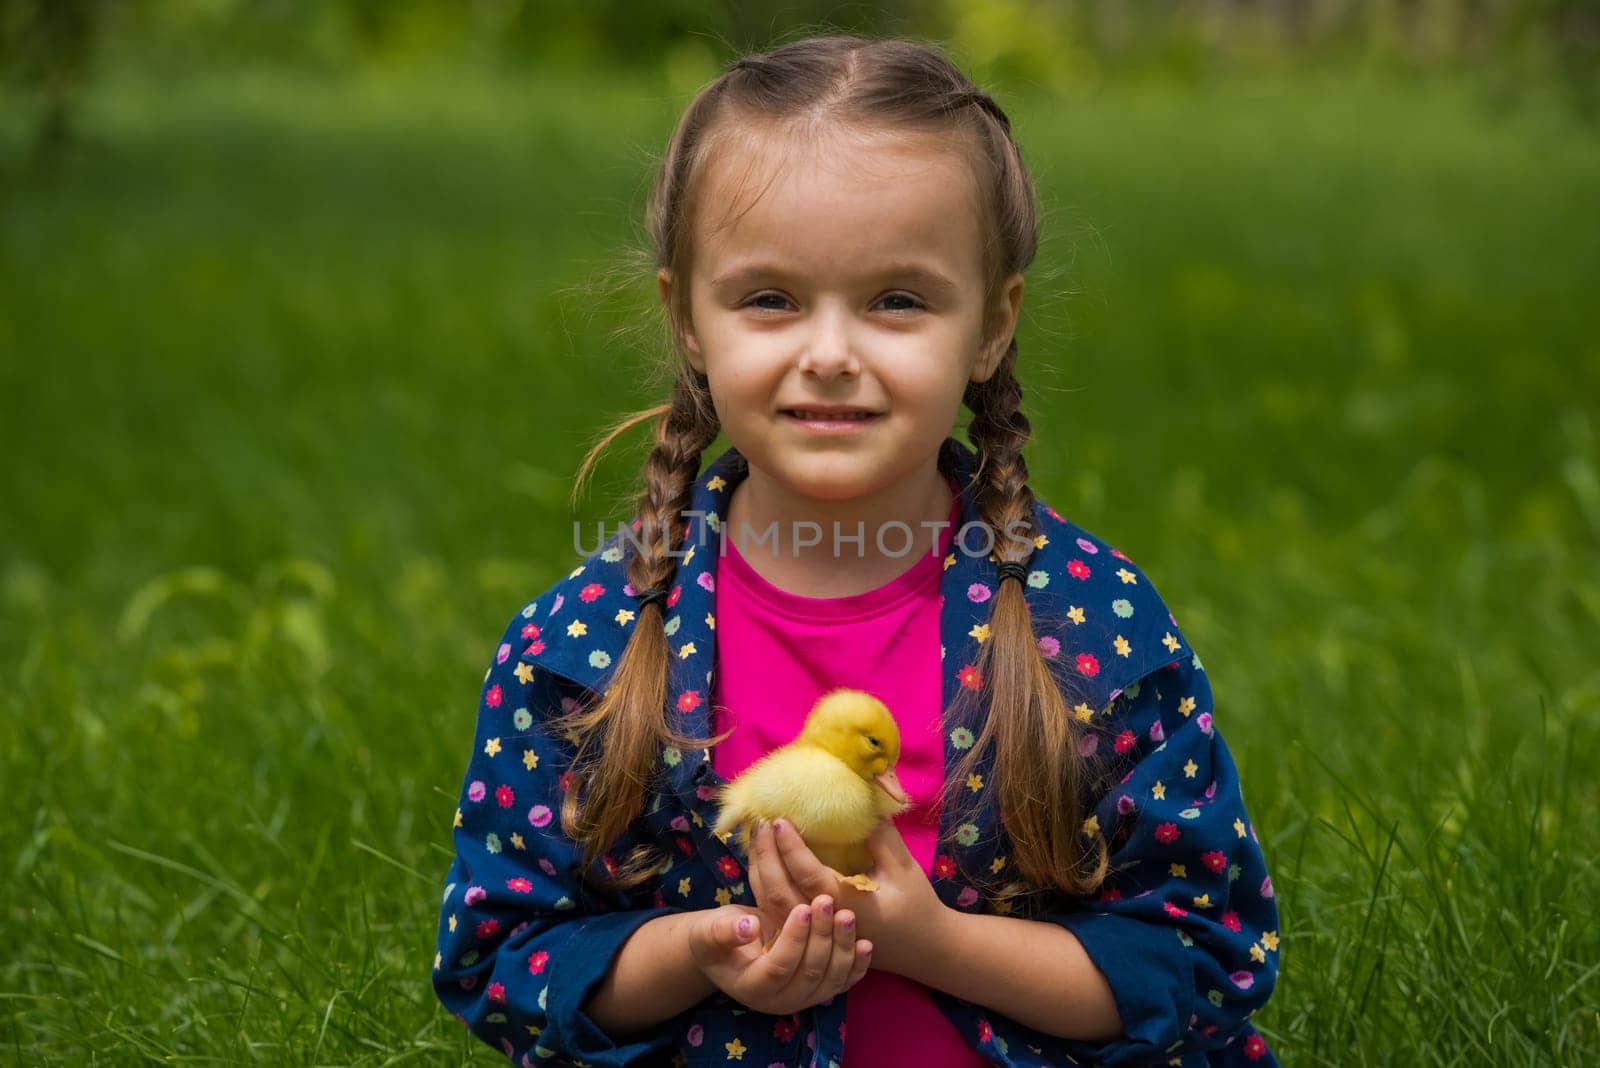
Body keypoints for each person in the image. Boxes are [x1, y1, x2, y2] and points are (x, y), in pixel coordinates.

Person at [432, 33, 1279, 1068]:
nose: (829, 355)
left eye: (897, 301)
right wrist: (702, 951)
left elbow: (1200, 957)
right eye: (769, 299)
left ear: (991, 325)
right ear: (686, 320)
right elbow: (503, 955)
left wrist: (933, 944)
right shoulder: (586, 643)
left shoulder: (1084, 626)